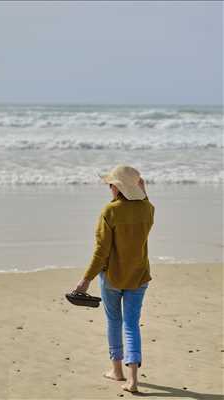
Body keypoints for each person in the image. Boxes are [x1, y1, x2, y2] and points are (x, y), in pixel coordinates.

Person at [74, 165, 155, 394]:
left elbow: (102, 252)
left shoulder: (109, 212)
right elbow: (145, 202)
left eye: (112, 184)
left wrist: (86, 280)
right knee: (131, 324)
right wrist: (142, 189)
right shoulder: (148, 209)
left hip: (112, 278)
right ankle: (133, 379)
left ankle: (116, 370)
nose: (109, 187)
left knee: (114, 322)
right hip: (139, 276)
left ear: (118, 188)